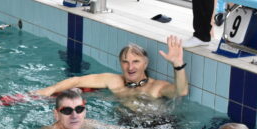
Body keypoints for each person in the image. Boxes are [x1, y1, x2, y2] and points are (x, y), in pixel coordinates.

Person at [36, 36, 188, 102]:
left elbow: (181, 91)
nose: (130, 67)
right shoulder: (114, 81)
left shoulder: (157, 87)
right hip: (127, 128)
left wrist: (177, 65)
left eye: (136, 61)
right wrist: (50, 90)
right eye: (125, 62)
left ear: (145, 64)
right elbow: (77, 80)